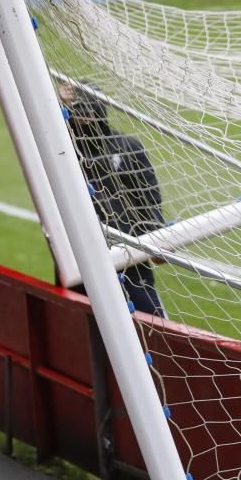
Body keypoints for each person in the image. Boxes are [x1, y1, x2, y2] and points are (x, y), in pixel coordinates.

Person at [58, 81, 167, 318]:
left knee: (154, 333)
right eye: (75, 109)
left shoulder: (127, 147)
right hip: (81, 264)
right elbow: (39, 133)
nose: (82, 116)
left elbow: (148, 198)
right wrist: (55, 100)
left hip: (130, 262)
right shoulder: (64, 152)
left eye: (87, 108)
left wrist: (158, 236)